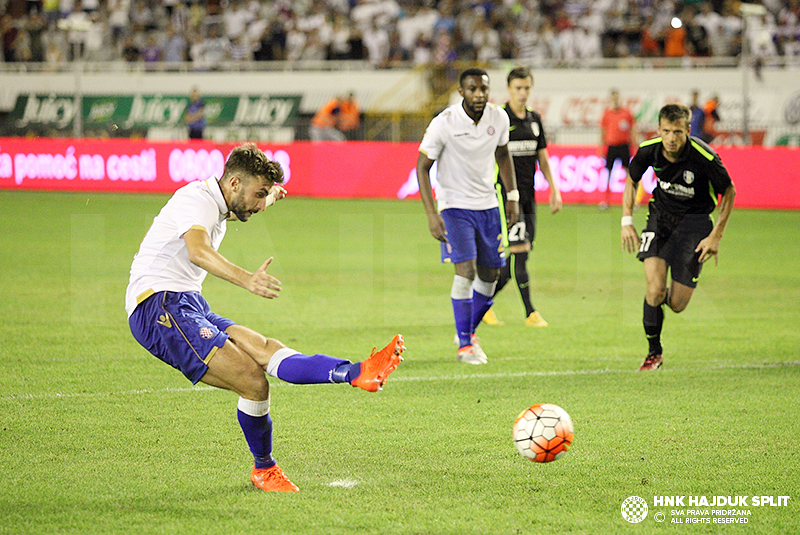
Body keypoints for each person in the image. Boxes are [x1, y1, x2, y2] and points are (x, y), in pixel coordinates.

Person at [125, 144, 405, 492]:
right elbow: (197, 251)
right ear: (234, 183)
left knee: (264, 348)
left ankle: (356, 372)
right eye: (257, 195)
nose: (260, 205)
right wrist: (247, 279)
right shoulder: (195, 199)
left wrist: (272, 196)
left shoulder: (221, 200)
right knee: (253, 381)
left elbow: (241, 207)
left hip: (187, 302)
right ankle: (265, 469)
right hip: (159, 307)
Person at [416, 67, 519, 365]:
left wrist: (511, 196)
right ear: (461, 92)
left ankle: (467, 330)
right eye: (472, 89)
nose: (479, 95)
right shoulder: (444, 123)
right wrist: (432, 214)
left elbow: (503, 154)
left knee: (491, 273)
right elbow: (422, 167)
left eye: (483, 89)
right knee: (466, 272)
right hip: (454, 206)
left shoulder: (499, 117)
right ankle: (465, 345)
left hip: (488, 205)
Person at [621, 104, 735, 371]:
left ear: (688, 130)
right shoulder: (650, 149)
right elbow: (632, 178)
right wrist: (626, 220)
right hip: (659, 221)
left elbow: (729, 191)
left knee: (677, 304)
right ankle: (654, 353)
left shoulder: (704, 157)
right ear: (659, 129)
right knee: (655, 289)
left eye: (677, 132)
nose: (671, 138)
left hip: (696, 228)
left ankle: (662, 297)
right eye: (666, 131)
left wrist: (715, 236)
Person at [482, 67, 562, 328]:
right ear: (508, 89)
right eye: (518, 88)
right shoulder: (500, 118)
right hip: (508, 198)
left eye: (527, 88)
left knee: (515, 256)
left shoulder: (534, 120)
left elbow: (543, 158)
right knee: (520, 252)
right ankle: (530, 313)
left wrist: (555, 189)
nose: (523, 93)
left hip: (529, 196)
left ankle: (482, 305)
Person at [599, 89, 639, 210]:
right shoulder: (607, 113)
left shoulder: (626, 113)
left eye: (616, 97)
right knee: (609, 173)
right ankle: (606, 200)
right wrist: (602, 146)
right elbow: (603, 131)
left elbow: (633, 129)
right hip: (611, 146)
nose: (615, 100)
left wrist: (635, 144)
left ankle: (633, 200)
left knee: (629, 173)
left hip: (624, 146)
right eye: (613, 97)